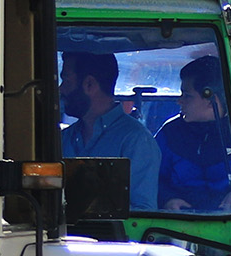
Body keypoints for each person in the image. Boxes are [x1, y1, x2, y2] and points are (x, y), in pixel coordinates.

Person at [60, 52, 162, 211]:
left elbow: (142, 212)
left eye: (65, 80)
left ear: (89, 84)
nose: (61, 90)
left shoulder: (135, 140)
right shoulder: (64, 138)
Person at [154, 57, 231, 213]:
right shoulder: (169, 133)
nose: (179, 101)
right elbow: (149, 177)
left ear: (210, 100)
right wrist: (167, 199)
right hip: (176, 224)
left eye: (187, 95)